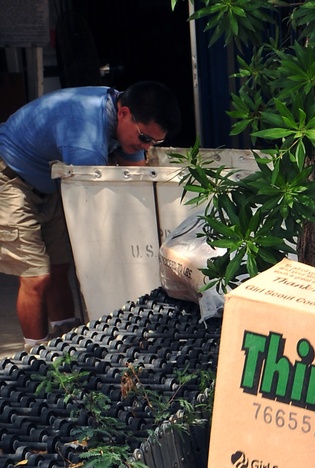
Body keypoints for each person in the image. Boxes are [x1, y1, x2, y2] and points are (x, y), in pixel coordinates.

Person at [0, 81, 181, 346]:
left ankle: (65, 341)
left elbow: (138, 173)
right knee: (36, 276)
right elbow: (95, 212)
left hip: (45, 183)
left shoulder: (118, 113)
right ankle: (35, 356)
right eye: (144, 138)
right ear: (124, 113)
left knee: (59, 266)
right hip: (9, 178)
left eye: (155, 142)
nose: (146, 146)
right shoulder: (87, 141)